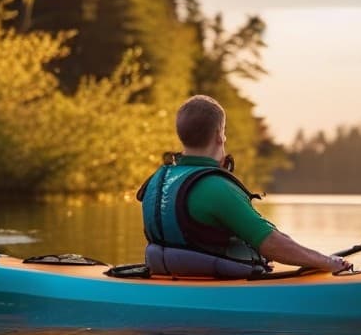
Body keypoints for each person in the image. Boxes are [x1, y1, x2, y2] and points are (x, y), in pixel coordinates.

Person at [138, 95, 349, 276]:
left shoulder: (156, 180)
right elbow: (272, 244)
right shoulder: (216, 188)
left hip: (167, 275)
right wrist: (327, 262)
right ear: (220, 135)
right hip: (218, 285)